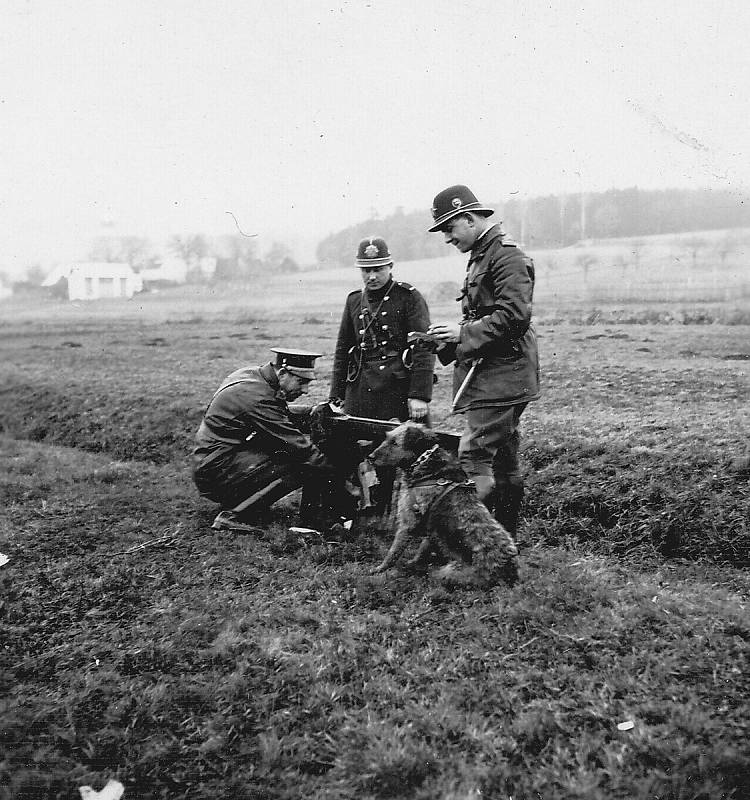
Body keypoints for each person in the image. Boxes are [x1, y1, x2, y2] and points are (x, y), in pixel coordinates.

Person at [425, 185, 540, 536]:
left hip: (502, 376)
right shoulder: (482, 255)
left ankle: (478, 546)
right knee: (504, 462)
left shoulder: (507, 257)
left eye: (449, 228)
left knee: (473, 457)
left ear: (469, 218)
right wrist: (451, 337)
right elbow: (485, 315)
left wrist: (462, 334)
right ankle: (505, 541)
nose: (446, 237)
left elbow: (514, 316)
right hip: (496, 374)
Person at [193, 347, 352, 532]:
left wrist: (313, 411)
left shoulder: (253, 376)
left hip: (215, 462)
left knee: (286, 452)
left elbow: (278, 411)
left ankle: (248, 503)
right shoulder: (257, 397)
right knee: (298, 461)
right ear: (283, 373)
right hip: (216, 474)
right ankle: (234, 516)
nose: (306, 390)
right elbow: (300, 448)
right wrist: (342, 477)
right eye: (301, 382)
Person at [330, 236, 435, 422]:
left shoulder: (408, 297)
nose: (372, 276)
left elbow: (424, 346)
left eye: (378, 269)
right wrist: (336, 396)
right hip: (360, 390)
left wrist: (419, 395)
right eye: (366, 270)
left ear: (390, 266)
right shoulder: (354, 300)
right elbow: (342, 351)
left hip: (398, 389)